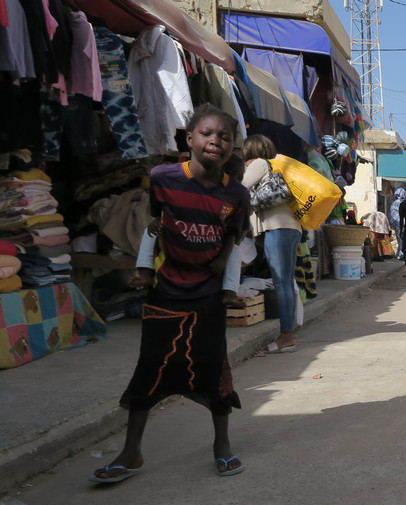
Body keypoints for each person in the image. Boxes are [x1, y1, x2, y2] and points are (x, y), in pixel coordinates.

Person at [91, 104, 250, 483]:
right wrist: (145, 269)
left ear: (232, 146)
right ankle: (131, 452)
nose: (216, 141)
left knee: (214, 367)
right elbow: (155, 224)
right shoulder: (163, 178)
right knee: (150, 367)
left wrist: (223, 264)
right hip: (165, 294)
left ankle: (222, 445)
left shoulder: (237, 194)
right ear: (189, 138)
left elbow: (233, 234)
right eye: (207, 133)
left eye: (225, 136)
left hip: (208, 296)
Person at [241, 134, 302, 354]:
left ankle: (286, 337)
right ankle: (288, 333)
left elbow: (240, 189)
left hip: (277, 229)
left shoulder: (259, 164)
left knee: (281, 283)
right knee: (286, 282)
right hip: (290, 228)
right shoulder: (275, 165)